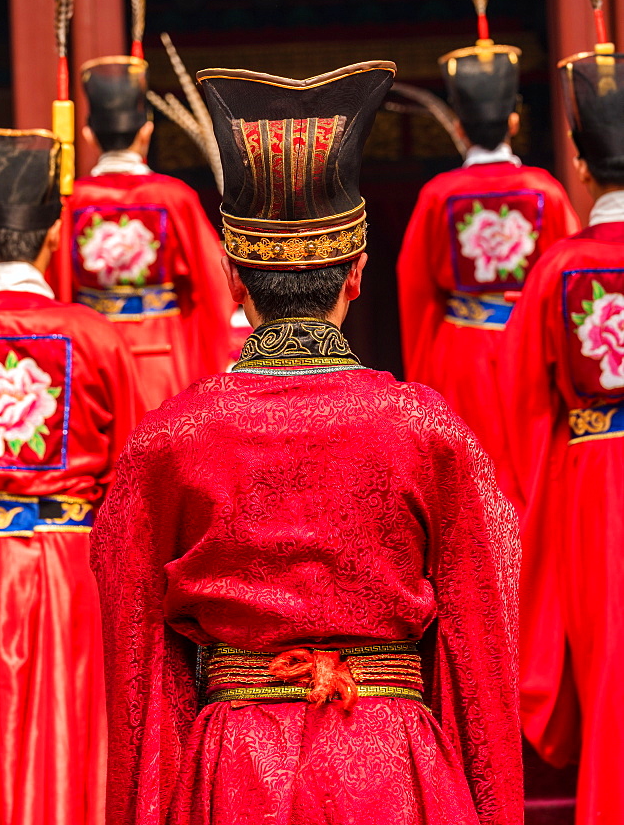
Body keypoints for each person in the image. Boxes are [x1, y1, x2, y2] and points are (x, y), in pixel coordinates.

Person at [92, 61, 522, 825]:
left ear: (230, 279)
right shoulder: (426, 431)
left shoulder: (170, 442)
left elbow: (135, 674)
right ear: (359, 274)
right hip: (394, 766)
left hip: (236, 771)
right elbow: (481, 649)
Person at [0, 127, 138, 825]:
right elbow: (135, 482)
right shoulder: (94, 336)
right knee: (68, 741)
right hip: (67, 573)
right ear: (58, 234)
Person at [498, 47, 624, 825]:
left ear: (578, 164)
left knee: (610, 659)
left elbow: (517, 405)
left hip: (591, 487)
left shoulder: (558, 270)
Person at [397, 42, 580, 510]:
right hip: (535, 351)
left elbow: (416, 288)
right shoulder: (546, 190)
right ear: (514, 123)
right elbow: (570, 290)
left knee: (467, 484)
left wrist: (422, 377)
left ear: (458, 128)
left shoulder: (440, 195)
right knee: (537, 477)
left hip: (462, 350)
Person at [64, 55, 234, 413]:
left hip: (88, 352)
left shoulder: (72, 201)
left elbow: (57, 284)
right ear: (147, 130)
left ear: (88, 133)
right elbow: (214, 283)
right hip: (161, 355)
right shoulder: (174, 197)